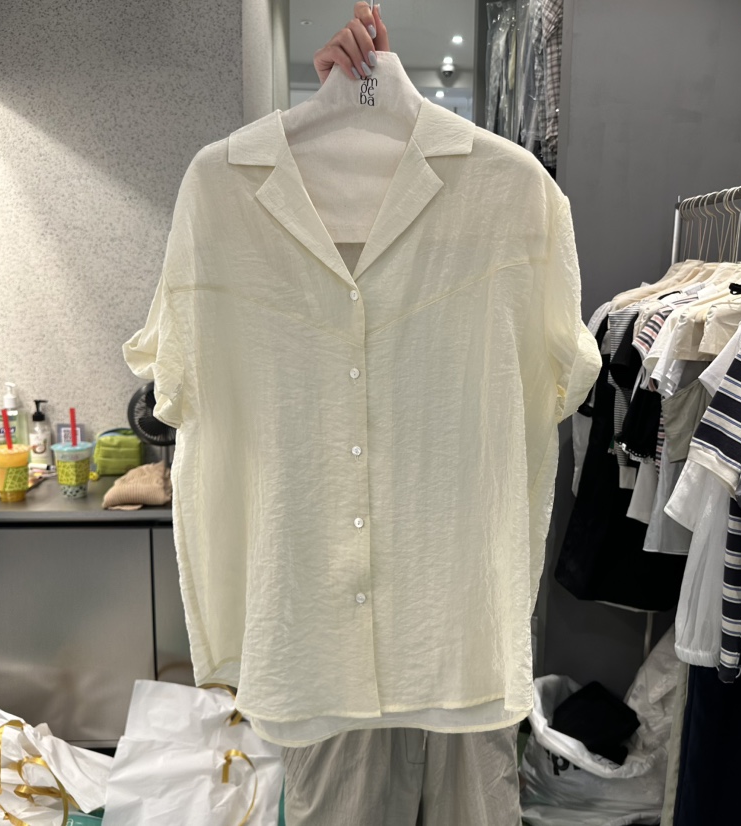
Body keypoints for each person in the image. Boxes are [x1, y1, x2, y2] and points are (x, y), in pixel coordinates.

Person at [277, 7, 524, 825]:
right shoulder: (258, 208)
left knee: (470, 800)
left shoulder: (502, 199)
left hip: (461, 618)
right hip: (328, 626)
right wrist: (336, 125)